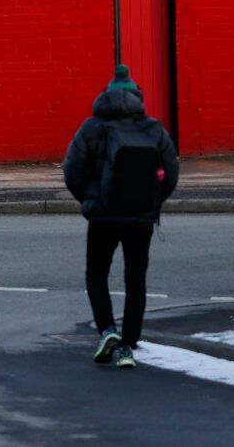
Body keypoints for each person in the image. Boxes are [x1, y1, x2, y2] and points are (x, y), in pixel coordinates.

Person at [62, 63, 179, 369]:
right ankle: (128, 347)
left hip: (102, 217)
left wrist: (89, 200)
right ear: (137, 96)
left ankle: (107, 331)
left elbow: (71, 169)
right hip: (140, 219)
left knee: (96, 274)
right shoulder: (154, 129)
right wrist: (150, 202)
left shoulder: (91, 128)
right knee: (135, 280)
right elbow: (171, 174)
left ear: (106, 96)